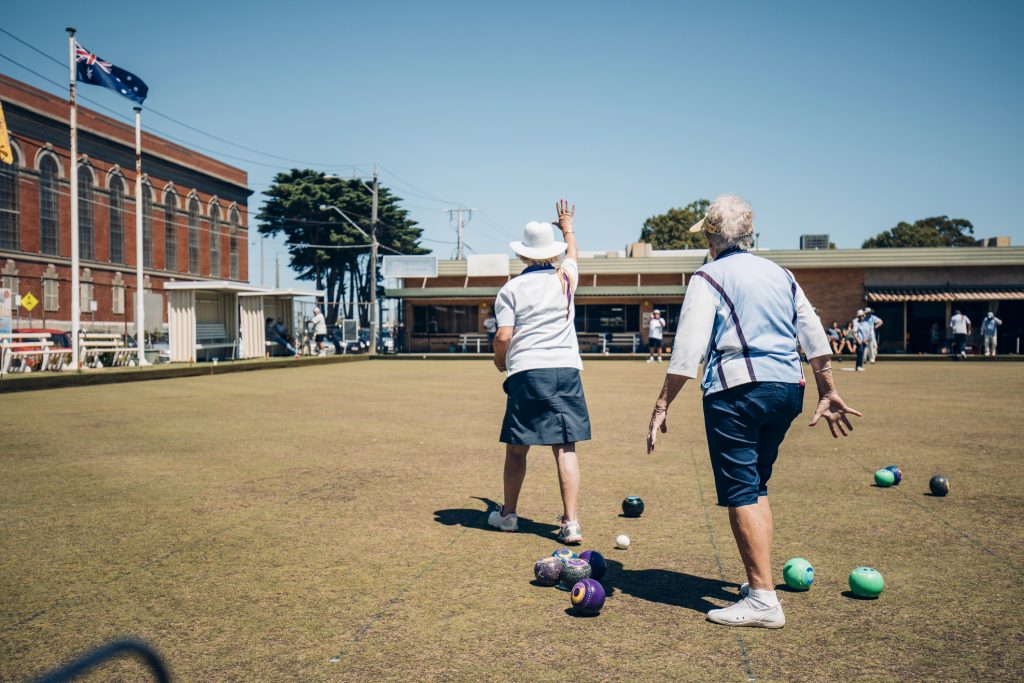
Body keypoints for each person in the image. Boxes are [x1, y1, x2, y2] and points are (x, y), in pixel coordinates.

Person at [646, 194, 860, 629]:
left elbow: (688, 350)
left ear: (710, 237)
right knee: (756, 484)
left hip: (736, 391)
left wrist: (662, 403)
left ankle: (763, 599)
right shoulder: (781, 273)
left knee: (741, 490)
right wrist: (829, 388)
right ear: (750, 236)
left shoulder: (707, 276)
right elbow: (814, 335)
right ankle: (758, 584)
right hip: (788, 388)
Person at [489, 199, 590, 545]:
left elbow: (504, 335)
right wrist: (568, 228)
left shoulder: (510, 289)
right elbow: (573, 255)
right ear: (553, 251)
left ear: (522, 255)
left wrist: (500, 359)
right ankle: (571, 523)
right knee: (565, 447)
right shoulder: (566, 277)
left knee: (517, 448)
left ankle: (508, 515)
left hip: (527, 372)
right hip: (565, 368)